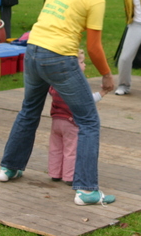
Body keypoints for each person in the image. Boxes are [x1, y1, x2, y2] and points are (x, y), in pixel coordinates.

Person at [0, 0, 116, 207]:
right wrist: (107, 76)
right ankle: (86, 190)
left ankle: (9, 167)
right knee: (88, 120)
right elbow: (95, 48)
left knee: (29, 110)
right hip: (59, 57)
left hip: (33, 50)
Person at [48, 49, 103, 186]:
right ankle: (69, 176)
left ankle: (54, 173)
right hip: (71, 123)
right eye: (82, 62)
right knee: (71, 150)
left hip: (56, 121)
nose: (84, 65)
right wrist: (103, 92)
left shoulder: (56, 83)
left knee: (55, 148)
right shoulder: (76, 85)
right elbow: (88, 100)